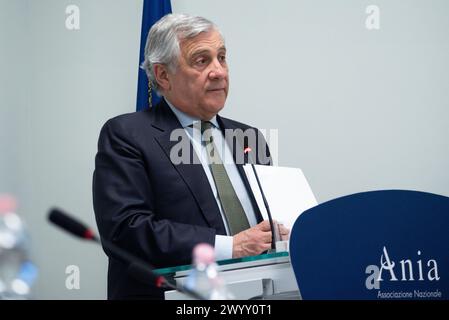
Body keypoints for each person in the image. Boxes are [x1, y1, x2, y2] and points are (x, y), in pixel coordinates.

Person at [93, 13, 289, 300]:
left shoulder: (249, 138)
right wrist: (229, 247)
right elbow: (126, 230)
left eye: (222, 57)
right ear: (163, 75)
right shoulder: (127, 134)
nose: (219, 71)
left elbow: (267, 225)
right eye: (202, 60)